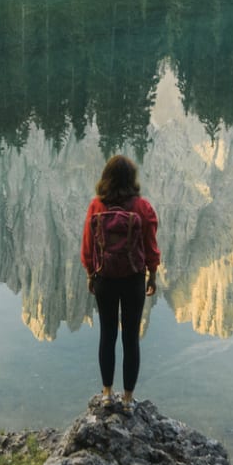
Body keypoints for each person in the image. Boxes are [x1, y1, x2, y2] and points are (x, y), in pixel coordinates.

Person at [82, 154, 160, 405]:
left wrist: (90, 273)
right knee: (130, 338)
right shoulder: (142, 207)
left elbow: (87, 244)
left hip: (104, 277)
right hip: (133, 279)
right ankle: (127, 400)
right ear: (132, 179)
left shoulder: (96, 206)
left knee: (107, 334)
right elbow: (151, 246)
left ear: (107, 178)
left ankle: (106, 394)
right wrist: (152, 275)